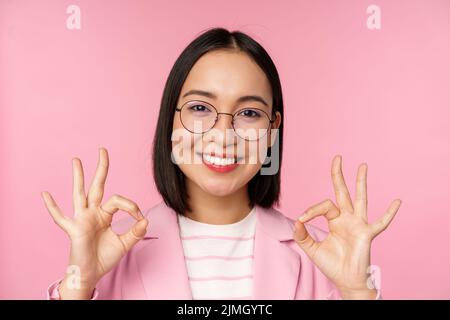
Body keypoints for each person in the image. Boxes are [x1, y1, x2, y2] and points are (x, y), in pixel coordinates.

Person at [42, 27, 401, 300]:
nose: (223, 134)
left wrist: (359, 292)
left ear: (272, 129)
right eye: (200, 108)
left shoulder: (324, 260)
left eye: (248, 113)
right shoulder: (110, 256)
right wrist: (79, 284)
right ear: (171, 119)